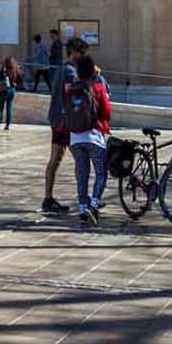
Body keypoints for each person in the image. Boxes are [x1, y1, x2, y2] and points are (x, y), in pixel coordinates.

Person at [65, 52, 111, 224]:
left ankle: (83, 208)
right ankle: (94, 203)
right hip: (94, 137)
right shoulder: (97, 88)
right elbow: (106, 111)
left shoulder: (72, 89)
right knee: (101, 172)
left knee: (82, 174)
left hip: (75, 138)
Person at [42, 40, 81, 215]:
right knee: (80, 158)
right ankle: (83, 198)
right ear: (74, 52)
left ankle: (48, 198)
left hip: (57, 120)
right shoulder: (70, 71)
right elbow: (71, 95)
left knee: (55, 159)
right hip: (66, 123)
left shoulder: (60, 69)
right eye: (81, 52)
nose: (83, 56)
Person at [0, 57, 21, 130]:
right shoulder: (16, 69)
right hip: (12, 90)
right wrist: (15, 84)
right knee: (9, 107)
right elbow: (20, 79)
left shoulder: (4, 69)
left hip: (4, 90)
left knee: (0, 107)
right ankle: (7, 125)